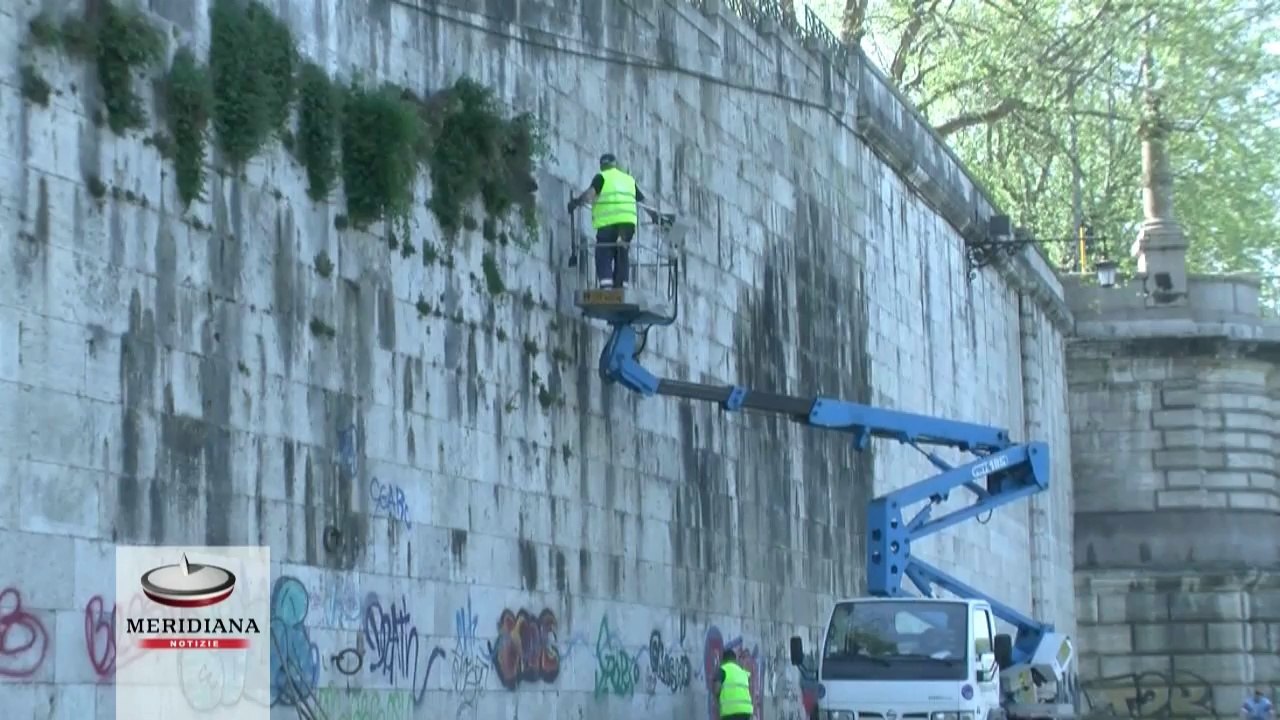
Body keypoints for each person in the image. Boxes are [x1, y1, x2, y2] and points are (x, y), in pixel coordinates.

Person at [567, 153, 649, 288]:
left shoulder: (601, 177)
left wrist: (576, 202)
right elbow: (644, 202)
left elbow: (589, 195)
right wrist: (657, 217)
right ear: (615, 164)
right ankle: (621, 285)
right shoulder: (628, 180)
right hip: (627, 225)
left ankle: (606, 285)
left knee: (603, 252)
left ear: (602, 166)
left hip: (608, 225)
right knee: (622, 251)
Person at [710, 649, 754, 720]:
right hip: (746, 712)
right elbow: (751, 691)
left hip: (730, 712)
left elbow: (716, 690)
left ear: (723, 660)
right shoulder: (743, 672)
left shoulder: (722, 670)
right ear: (735, 660)